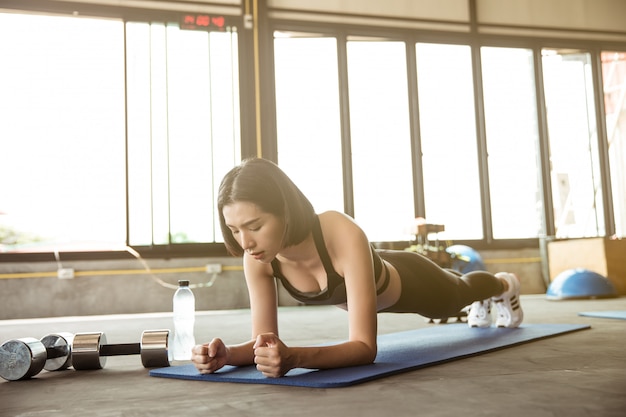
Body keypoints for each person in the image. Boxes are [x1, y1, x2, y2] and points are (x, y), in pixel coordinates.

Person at [191, 158, 523, 378]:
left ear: (285, 210)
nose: (245, 242)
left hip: (409, 280)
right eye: (234, 230)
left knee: (457, 293)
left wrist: (294, 358)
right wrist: (227, 355)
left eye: (255, 225)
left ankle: (502, 285)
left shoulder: (338, 230)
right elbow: (262, 343)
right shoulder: (259, 260)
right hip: (370, 275)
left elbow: (365, 349)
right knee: (457, 292)